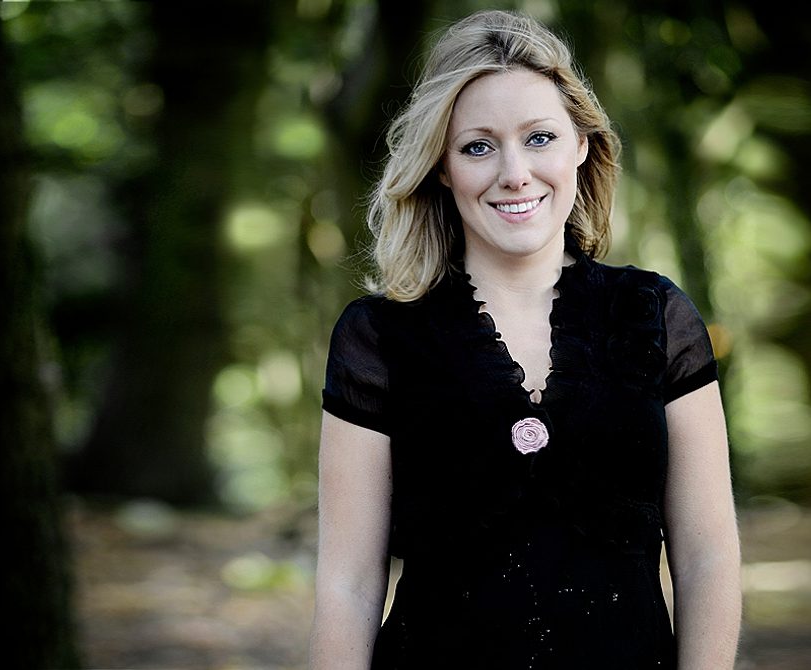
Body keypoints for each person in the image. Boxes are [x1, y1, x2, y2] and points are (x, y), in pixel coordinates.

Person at [310, 9, 740, 669]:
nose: (514, 173)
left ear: (580, 145)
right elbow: (348, 582)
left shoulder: (655, 314)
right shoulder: (377, 336)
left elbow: (707, 556)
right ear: (441, 169)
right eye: (477, 146)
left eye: (538, 138)